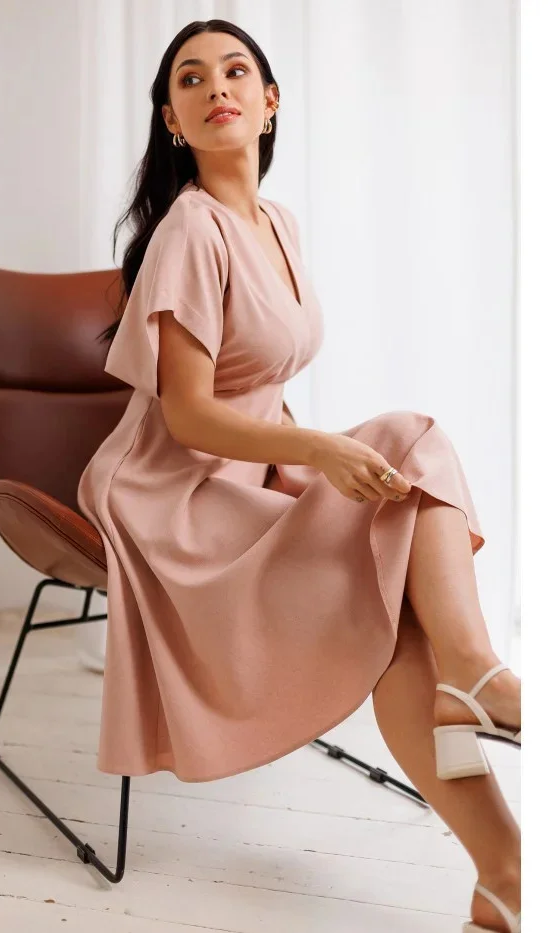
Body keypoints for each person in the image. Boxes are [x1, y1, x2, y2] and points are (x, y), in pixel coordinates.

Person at [77, 19, 520, 932]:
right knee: (407, 436)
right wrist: (320, 453)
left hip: (250, 472)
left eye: (236, 70)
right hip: (171, 496)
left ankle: (502, 872)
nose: (216, 87)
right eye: (190, 79)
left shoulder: (277, 222)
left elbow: (264, 383)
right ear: (172, 121)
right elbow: (187, 415)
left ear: (270, 101)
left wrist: (296, 463)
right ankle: (478, 677)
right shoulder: (189, 231)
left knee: (405, 587)